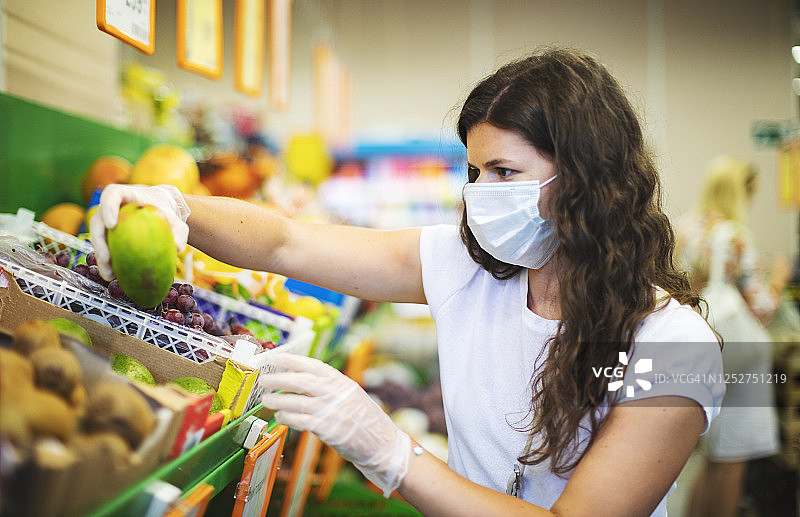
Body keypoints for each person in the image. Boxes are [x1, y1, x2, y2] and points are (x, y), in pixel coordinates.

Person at [90, 47, 724, 516]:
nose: (480, 195)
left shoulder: (676, 347)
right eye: (474, 173)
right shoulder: (472, 270)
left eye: (504, 171)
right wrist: (175, 207)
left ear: (589, 177)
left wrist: (393, 453)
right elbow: (290, 240)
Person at [676, 155, 789, 517]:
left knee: (712, 455)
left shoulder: (687, 228)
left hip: (705, 346)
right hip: (741, 355)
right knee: (733, 459)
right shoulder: (735, 235)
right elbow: (763, 307)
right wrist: (779, 277)